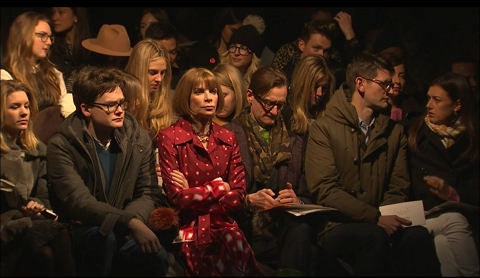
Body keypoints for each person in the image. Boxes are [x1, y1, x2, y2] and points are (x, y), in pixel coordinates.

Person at [304, 52, 441, 276]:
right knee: (372, 237)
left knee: (418, 236)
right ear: (361, 84)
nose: (391, 89)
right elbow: (325, 189)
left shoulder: (394, 132)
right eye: (384, 84)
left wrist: (386, 217)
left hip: (381, 219)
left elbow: (398, 185)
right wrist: (374, 218)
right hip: (338, 225)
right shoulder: (324, 128)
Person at [45, 66, 171, 276]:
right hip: (84, 229)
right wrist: (129, 222)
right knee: (103, 239)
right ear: (86, 109)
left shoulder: (138, 139)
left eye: (121, 103)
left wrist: (131, 222)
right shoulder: (62, 145)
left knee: (156, 254)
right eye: (110, 105)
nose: (120, 110)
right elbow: (80, 202)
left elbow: (148, 192)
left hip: (126, 227)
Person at [224, 66, 347, 276]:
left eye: (280, 105)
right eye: (269, 103)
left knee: (302, 232)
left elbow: (308, 195)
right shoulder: (227, 136)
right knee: (314, 255)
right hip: (241, 228)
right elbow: (216, 194)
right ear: (250, 96)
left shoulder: (295, 141)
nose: (274, 111)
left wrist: (296, 200)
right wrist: (248, 200)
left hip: (280, 232)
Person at [157, 67, 262, 276]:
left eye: (213, 92)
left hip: (224, 225)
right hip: (187, 226)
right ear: (186, 97)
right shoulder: (169, 137)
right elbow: (178, 197)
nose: (209, 98)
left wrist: (195, 191)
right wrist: (219, 187)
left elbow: (239, 195)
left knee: (233, 243)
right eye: (199, 92)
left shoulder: (228, 137)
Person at [0, 79, 75, 277]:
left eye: (26, 106)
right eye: (14, 107)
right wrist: (18, 215)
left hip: (29, 222)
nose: (24, 112)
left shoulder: (37, 151)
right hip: (5, 225)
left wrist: (36, 207)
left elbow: (43, 195)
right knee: (44, 253)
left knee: (54, 242)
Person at [408, 72, 479, 276]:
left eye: (437, 100)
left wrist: (451, 193)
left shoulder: (472, 138)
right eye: (429, 98)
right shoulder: (416, 133)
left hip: (466, 213)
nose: (429, 105)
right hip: (425, 213)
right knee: (453, 221)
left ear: (457, 105)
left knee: (444, 243)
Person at [1, 11, 71, 115]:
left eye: (50, 37)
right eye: (42, 35)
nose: (49, 42)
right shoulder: (6, 75)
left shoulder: (53, 74)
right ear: (23, 36)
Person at [272, 11, 361, 86]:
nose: (321, 55)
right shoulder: (285, 77)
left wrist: (350, 36)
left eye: (326, 51)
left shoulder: (332, 72)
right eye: (316, 48)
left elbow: (358, 74)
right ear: (301, 45)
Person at [283, 53, 336, 139]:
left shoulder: (329, 117)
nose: (320, 93)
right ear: (302, 83)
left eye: (324, 88)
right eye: (315, 86)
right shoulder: (285, 114)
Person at [183, 7, 252, 70]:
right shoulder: (202, 51)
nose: (236, 35)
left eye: (239, 31)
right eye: (232, 30)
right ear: (221, 26)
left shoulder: (240, 54)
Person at [47, 7, 91, 94]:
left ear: (75, 16)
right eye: (53, 12)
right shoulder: (50, 45)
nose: (54, 17)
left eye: (61, 12)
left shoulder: (90, 46)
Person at [378, 52, 424, 129]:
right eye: (392, 75)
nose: (397, 81)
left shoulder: (414, 108)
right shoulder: (373, 110)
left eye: (401, 76)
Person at [145, 20, 184, 90]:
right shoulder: (134, 82)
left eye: (173, 52)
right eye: (162, 52)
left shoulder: (182, 80)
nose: (168, 58)